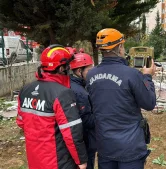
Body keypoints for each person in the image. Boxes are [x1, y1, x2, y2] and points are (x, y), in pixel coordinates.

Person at [86, 28, 156, 169]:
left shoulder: (90, 75)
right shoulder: (132, 75)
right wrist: (147, 76)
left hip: (105, 146)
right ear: (120, 47)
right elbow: (149, 103)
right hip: (130, 148)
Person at [16, 44, 88, 169]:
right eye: (67, 67)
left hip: (35, 158)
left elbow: (21, 122)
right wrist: (81, 160)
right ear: (61, 68)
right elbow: (72, 133)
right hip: (58, 160)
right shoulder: (62, 93)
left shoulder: (25, 90)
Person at [69, 53, 96, 169]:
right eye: (90, 69)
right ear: (80, 71)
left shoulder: (71, 84)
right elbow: (87, 120)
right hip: (85, 141)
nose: (92, 72)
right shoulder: (80, 92)